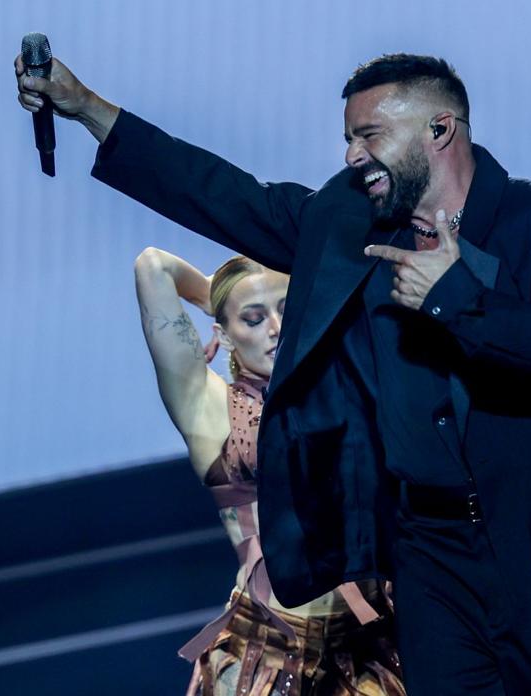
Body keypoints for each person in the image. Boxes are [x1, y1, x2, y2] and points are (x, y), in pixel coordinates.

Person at [14, 53, 531, 695]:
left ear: (440, 130)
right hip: (430, 561)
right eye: (348, 137)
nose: (351, 155)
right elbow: (226, 197)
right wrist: (90, 108)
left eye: (368, 135)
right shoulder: (345, 227)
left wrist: (455, 294)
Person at [133, 248, 404, 695]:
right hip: (266, 657)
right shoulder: (209, 407)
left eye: (286, 309)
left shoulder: (347, 385)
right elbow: (152, 266)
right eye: (253, 319)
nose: (276, 329)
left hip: (372, 645)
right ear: (225, 332)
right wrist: (216, 297)